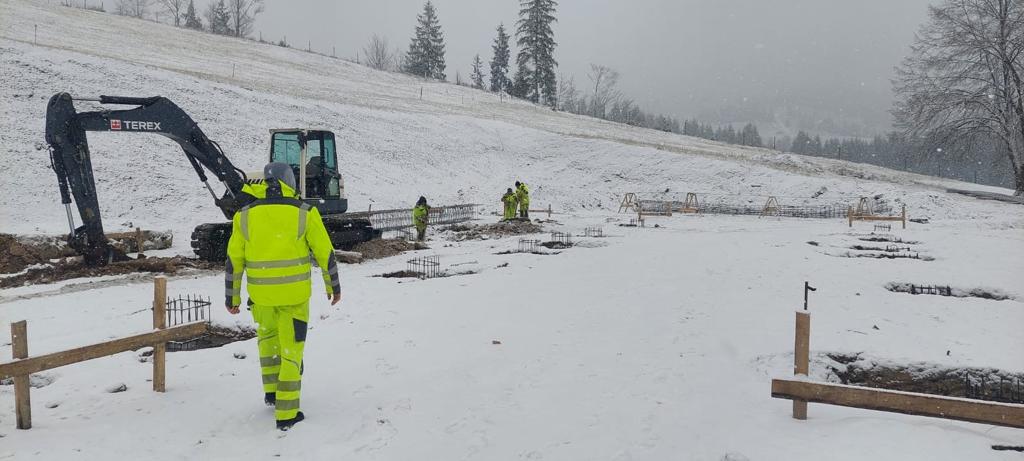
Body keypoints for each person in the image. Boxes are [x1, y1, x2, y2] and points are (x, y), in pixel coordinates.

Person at [225, 162, 341, 431]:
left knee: (268, 343)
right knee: (291, 350)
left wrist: (232, 297)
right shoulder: (304, 212)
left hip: (261, 298)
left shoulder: (243, 215)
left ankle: (272, 393)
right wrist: (333, 286)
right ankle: (287, 413)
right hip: (294, 297)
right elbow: (325, 253)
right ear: (290, 182)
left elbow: (234, 261)